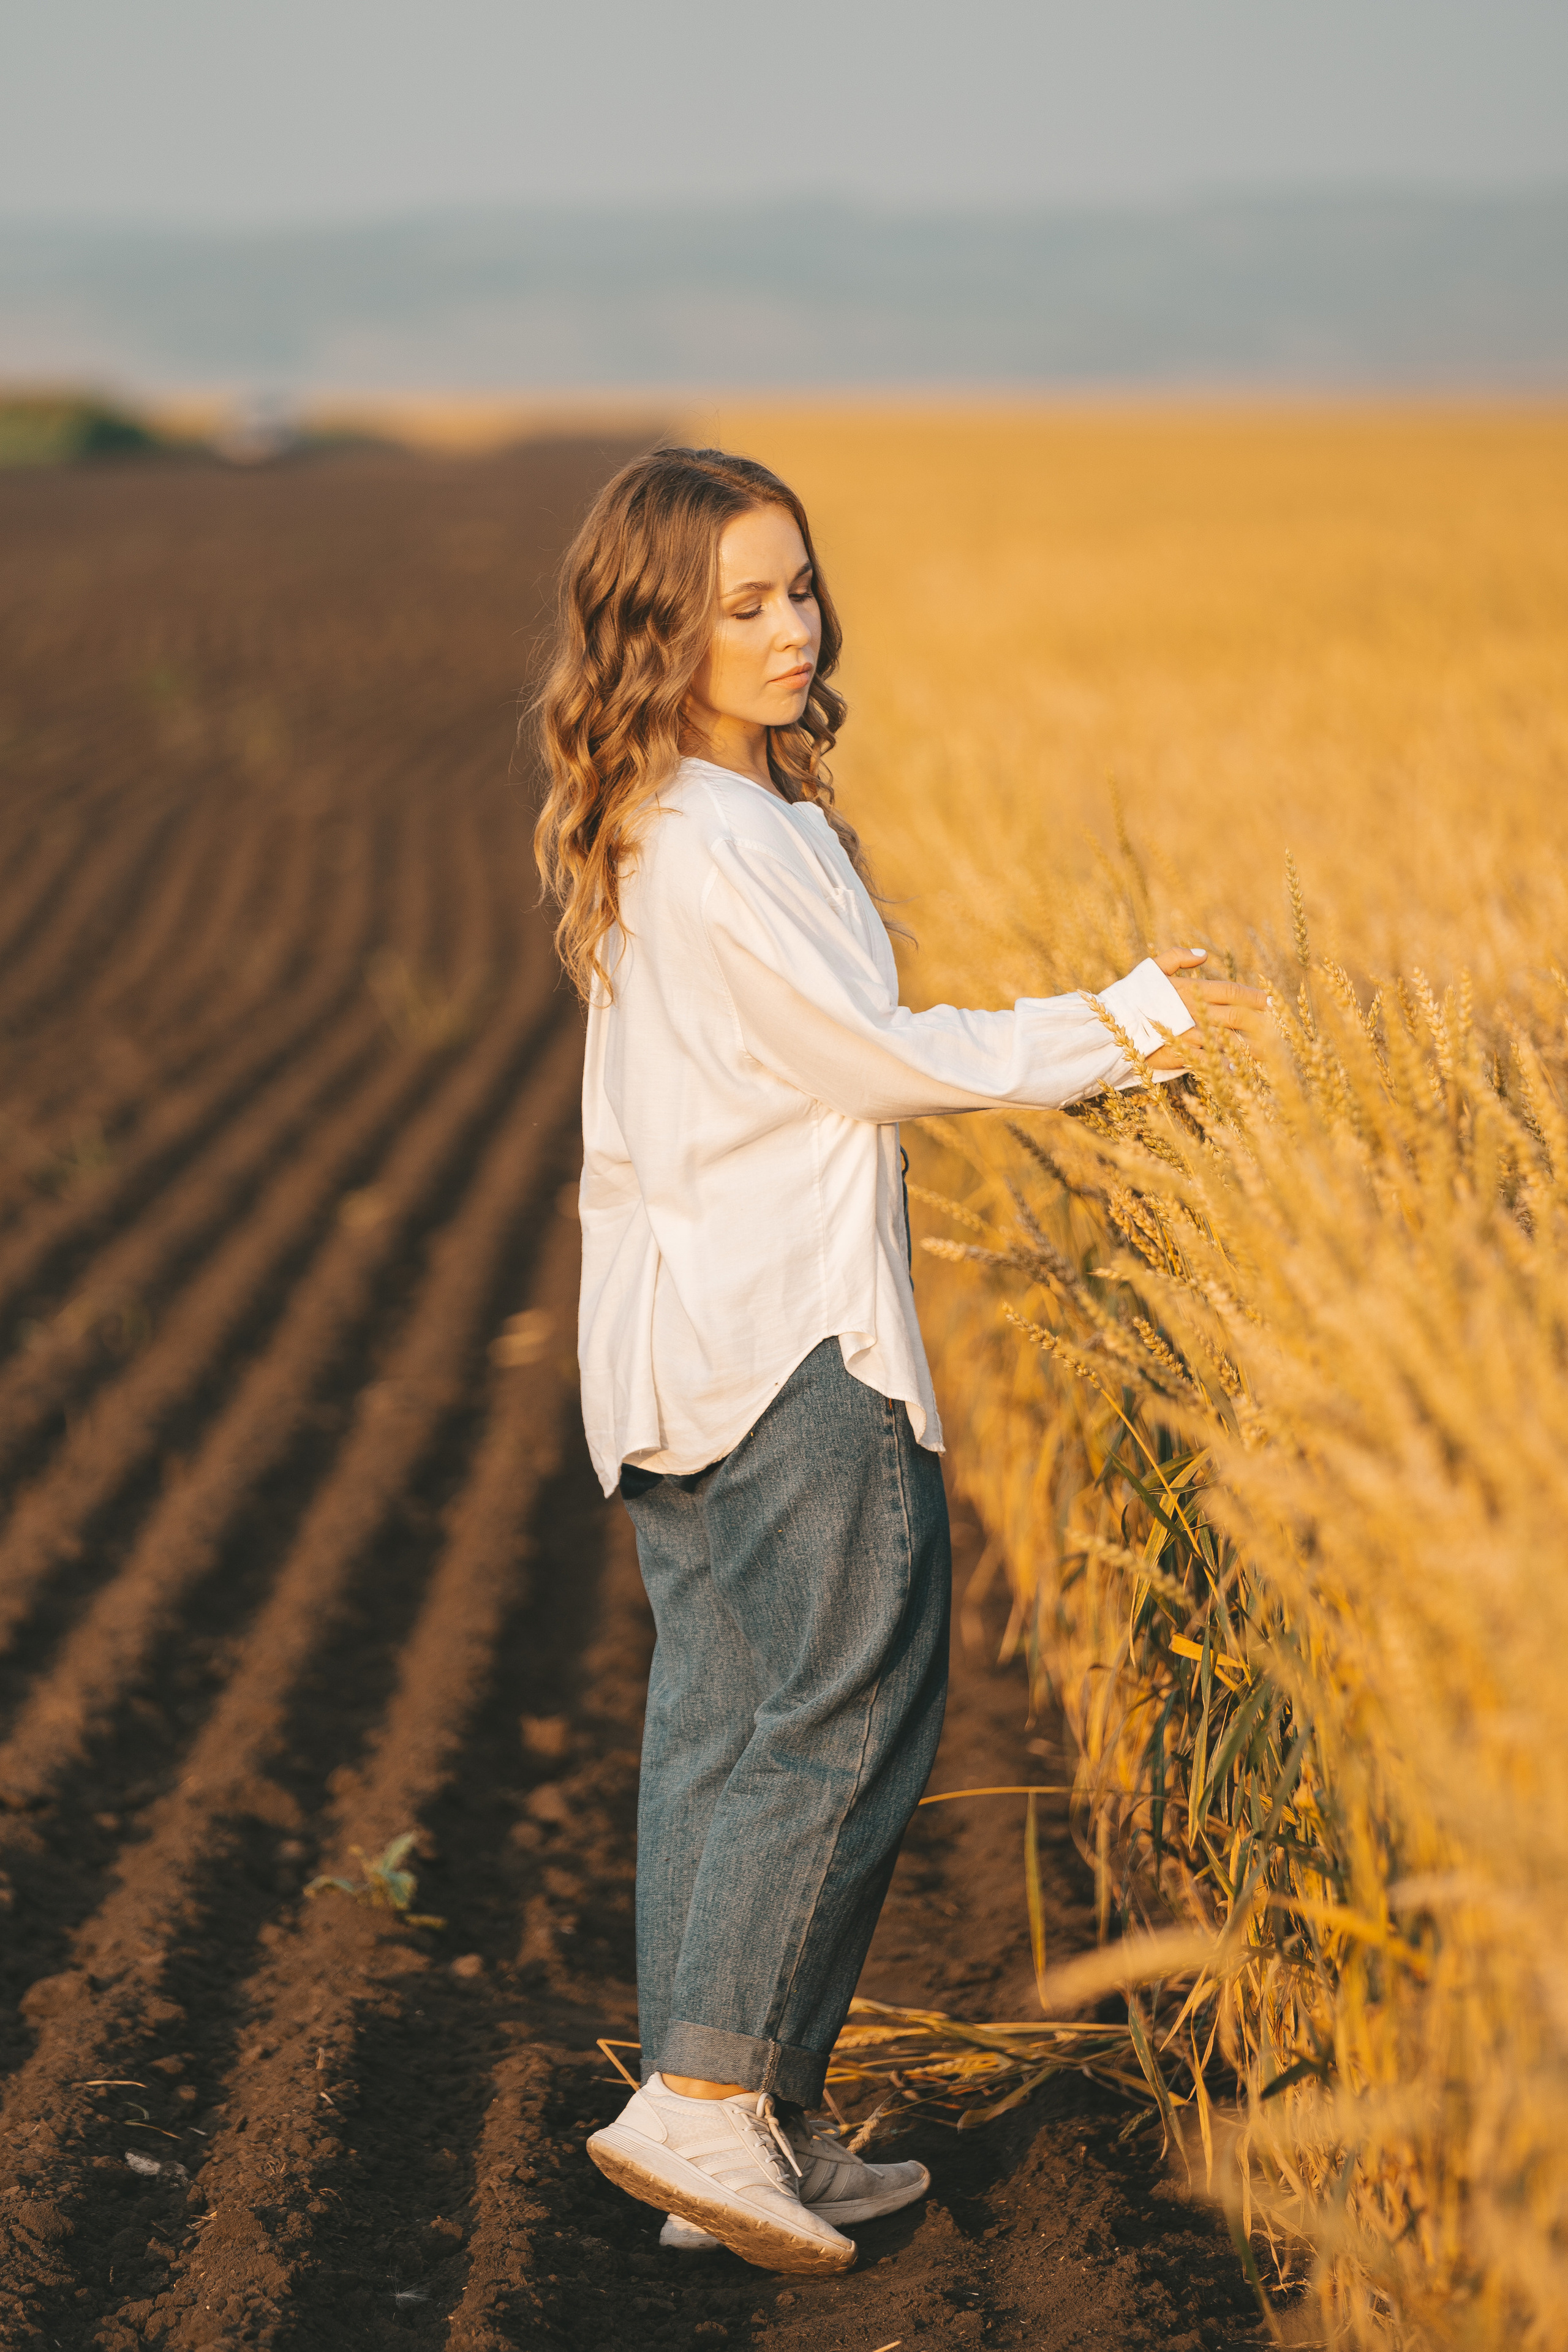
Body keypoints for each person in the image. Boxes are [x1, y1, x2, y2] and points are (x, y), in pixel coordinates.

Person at [532, 447, 1264, 2277]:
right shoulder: (716, 839)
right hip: (785, 1335)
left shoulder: (664, 813)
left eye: (801, 588)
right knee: (847, 1716)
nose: (796, 628)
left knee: (723, 1730)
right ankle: (707, 2108)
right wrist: (1137, 1022)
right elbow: (877, 1057)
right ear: (657, 627)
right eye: (746, 602)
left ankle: (750, 2125)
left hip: (673, 1343)